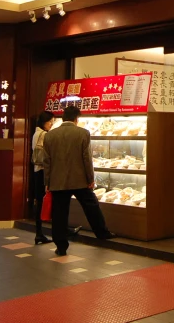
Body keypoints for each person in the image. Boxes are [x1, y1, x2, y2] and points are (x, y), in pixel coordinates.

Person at [43, 106, 114, 255]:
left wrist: (47, 182)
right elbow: (86, 159)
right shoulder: (83, 133)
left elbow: (47, 162)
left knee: (59, 214)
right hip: (80, 180)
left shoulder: (50, 135)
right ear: (76, 119)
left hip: (58, 181)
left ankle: (61, 246)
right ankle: (102, 233)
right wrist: (90, 179)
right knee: (91, 206)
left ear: (63, 118)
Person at [32, 111, 54, 245]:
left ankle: (39, 233)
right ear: (43, 122)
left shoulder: (36, 133)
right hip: (42, 171)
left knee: (39, 201)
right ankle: (39, 233)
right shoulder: (44, 135)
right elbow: (48, 155)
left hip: (37, 171)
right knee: (42, 201)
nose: (51, 124)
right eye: (50, 121)